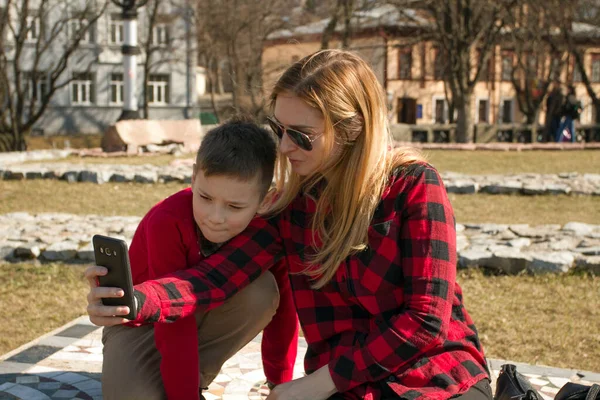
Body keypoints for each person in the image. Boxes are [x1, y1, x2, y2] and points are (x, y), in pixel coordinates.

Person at [87, 49, 491, 399]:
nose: (282, 147)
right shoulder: (293, 207)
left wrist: (320, 384)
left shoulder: (415, 186)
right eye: (279, 129)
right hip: (346, 386)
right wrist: (138, 300)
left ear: (352, 130)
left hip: (432, 374)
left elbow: (426, 322)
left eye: (300, 134)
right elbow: (212, 279)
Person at [97, 120, 298, 400]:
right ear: (193, 178)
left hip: (200, 315)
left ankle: (192, 376)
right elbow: (175, 324)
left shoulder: (266, 230)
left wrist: (280, 383)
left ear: (263, 200)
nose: (215, 217)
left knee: (263, 290)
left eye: (235, 206)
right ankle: (175, 382)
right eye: (204, 197)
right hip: (137, 324)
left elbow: (285, 309)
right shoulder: (166, 222)